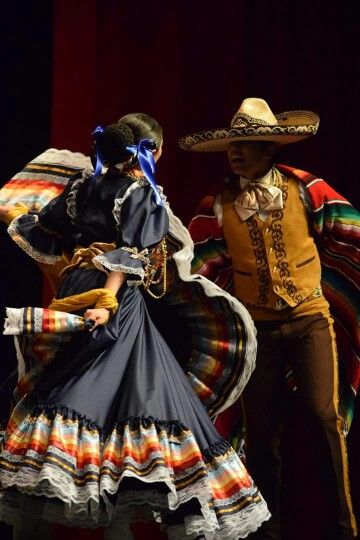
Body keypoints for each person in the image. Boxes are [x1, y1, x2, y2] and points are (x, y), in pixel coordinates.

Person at [0, 113, 271, 539]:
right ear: (152, 152)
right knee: (122, 394)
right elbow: (129, 255)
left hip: (80, 289)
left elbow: (47, 230)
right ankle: (115, 511)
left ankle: (78, 515)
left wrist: (74, 265)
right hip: (114, 302)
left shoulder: (82, 186)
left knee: (96, 392)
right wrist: (107, 298)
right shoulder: (141, 193)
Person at [179, 98, 359, 540]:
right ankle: (266, 530)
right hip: (257, 331)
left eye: (248, 144)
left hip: (310, 318)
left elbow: (349, 230)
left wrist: (329, 284)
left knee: (324, 416)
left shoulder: (306, 188)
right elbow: (194, 262)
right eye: (233, 145)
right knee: (259, 433)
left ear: (270, 149)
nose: (236, 152)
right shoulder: (218, 203)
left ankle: (345, 525)